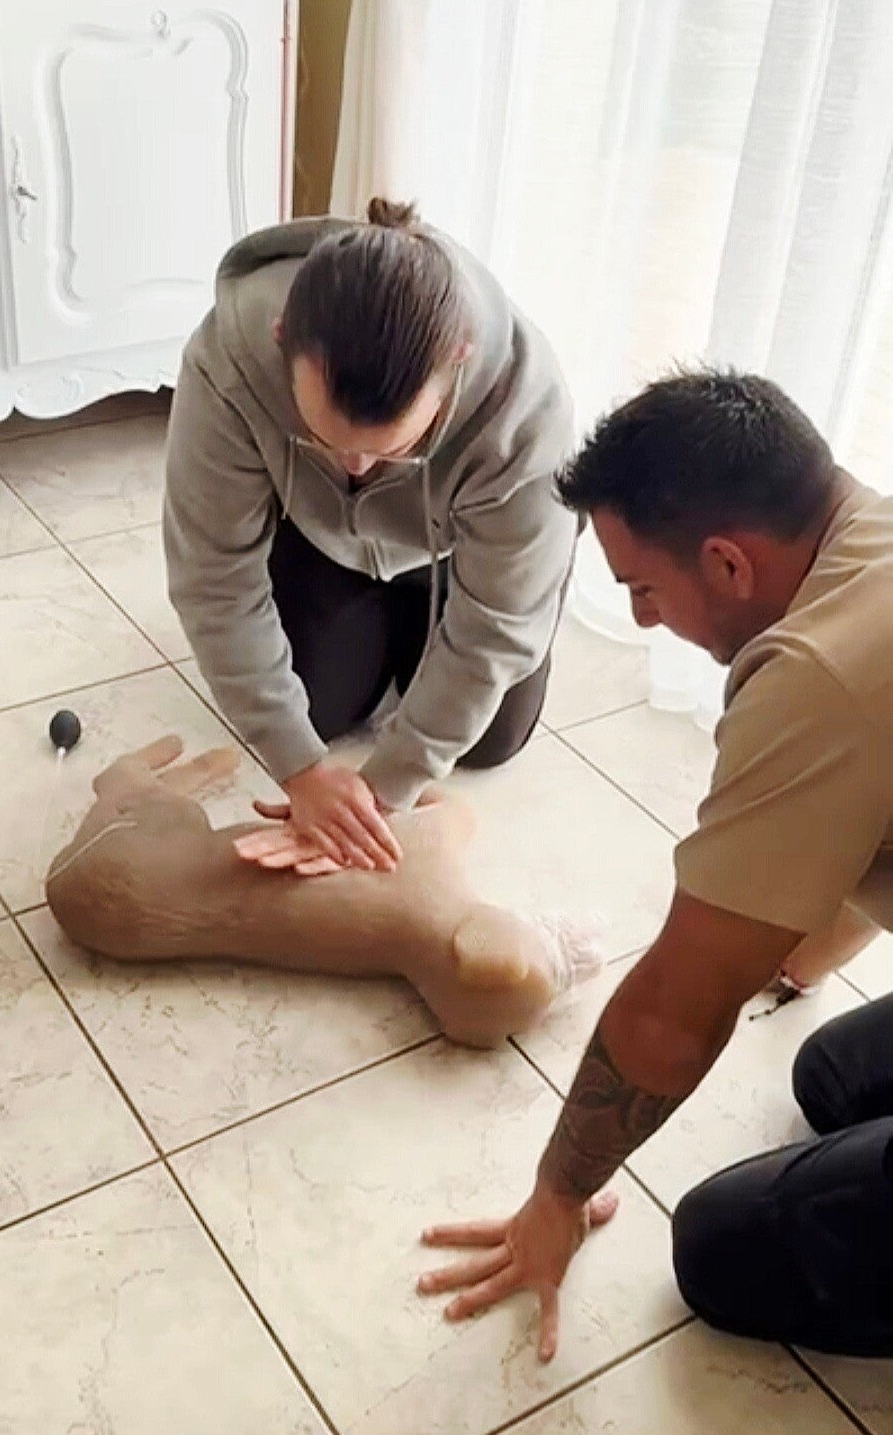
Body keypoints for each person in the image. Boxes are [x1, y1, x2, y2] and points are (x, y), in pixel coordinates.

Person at [419, 369, 892, 1360]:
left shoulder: (817, 674)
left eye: (641, 587)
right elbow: (859, 828)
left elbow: (677, 1010)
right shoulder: (862, 532)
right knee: (831, 1077)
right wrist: (792, 960)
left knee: (720, 1248)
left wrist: (556, 1196)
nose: (638, 619)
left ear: (726, 562)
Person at [163, 200, 577, 875]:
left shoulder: (527, 412)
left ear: (458, 363)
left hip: (459, 550)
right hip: (326, 537)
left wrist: (386, 792)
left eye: (392, 448)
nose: (354, 467)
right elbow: (211, 578)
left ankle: (439, 611)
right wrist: (301, 769)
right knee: (314, 709)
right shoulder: (230, 358)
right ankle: (369, 617)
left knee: (490, 739)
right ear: (280, 338)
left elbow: (494, 628)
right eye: (323, 440)